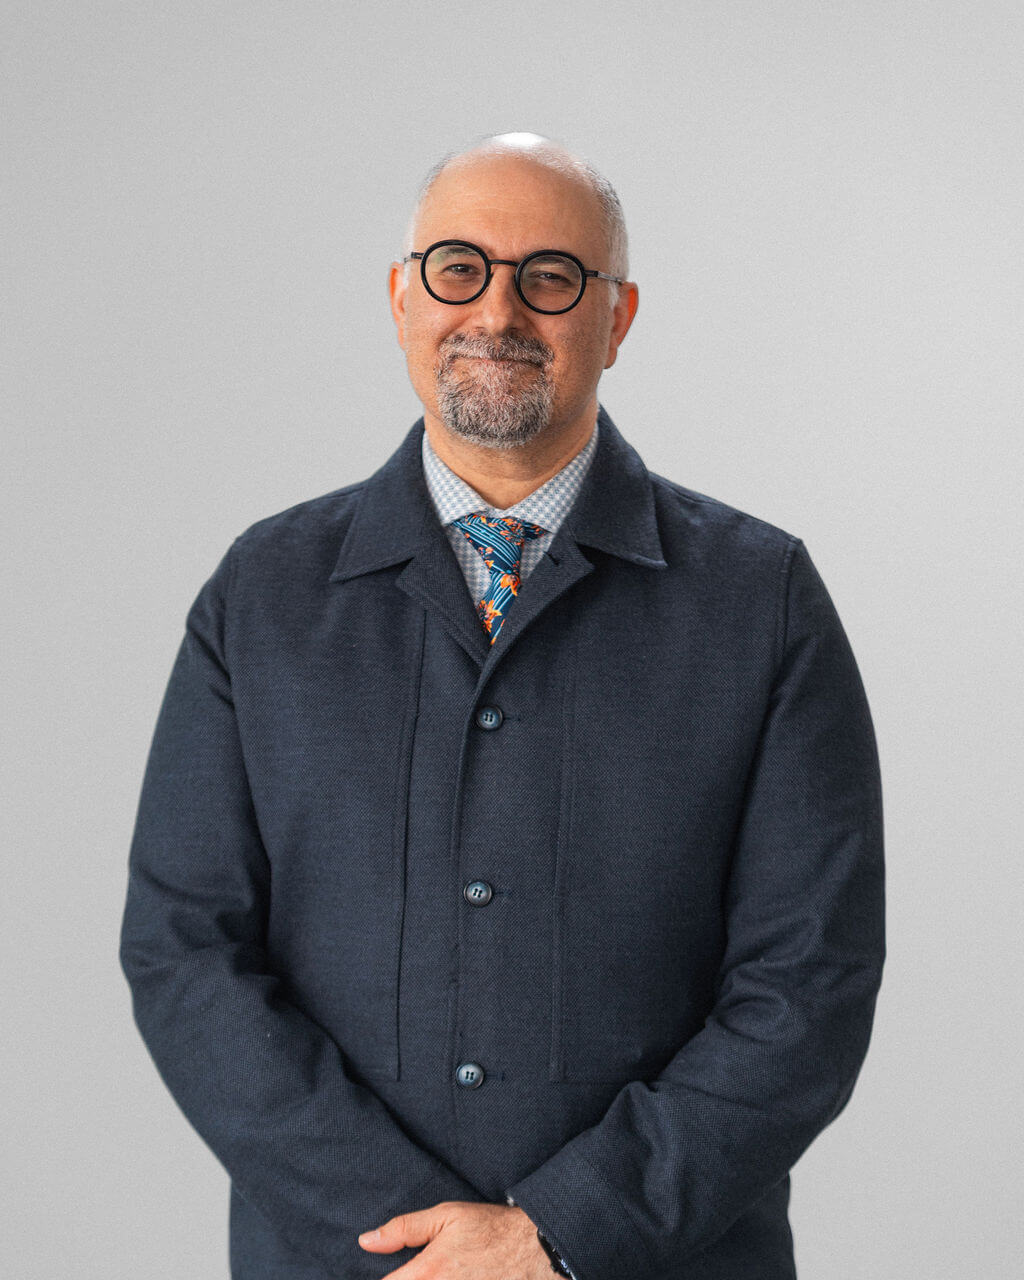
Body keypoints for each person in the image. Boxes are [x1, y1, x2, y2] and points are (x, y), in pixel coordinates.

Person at [119, 132, 885, 1280]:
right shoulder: (263, 592)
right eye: (458, 268)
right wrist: (410, 1238)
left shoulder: (760, 598)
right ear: (400, 297)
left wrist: (563, 1232)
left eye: (551, 276)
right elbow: (184, 951)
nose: (497, 311)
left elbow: (808, 981)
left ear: (617, 317)